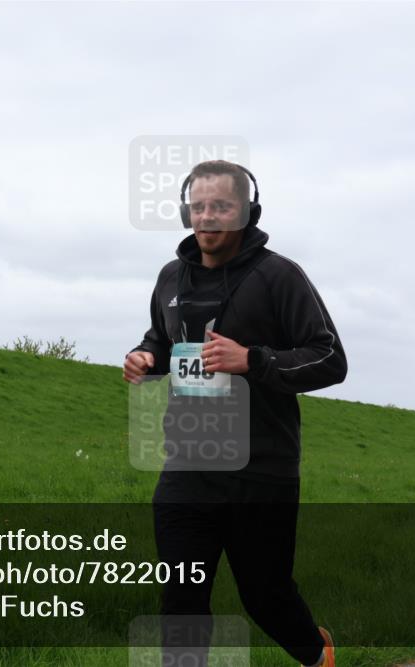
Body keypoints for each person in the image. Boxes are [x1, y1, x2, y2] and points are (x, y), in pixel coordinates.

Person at [123, 160, 348, 667]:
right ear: (186, 212)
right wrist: (146, 357)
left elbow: (330, 359)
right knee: (181, 600)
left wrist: (254, 360)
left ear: (248, 211)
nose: (208, 217)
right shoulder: (169, 277)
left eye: (221, 206)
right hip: (187, 465)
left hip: (261, 469)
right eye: (198, 207)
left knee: (265, 598)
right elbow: (162, 337)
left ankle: (317, 652)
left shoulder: (279, 276)